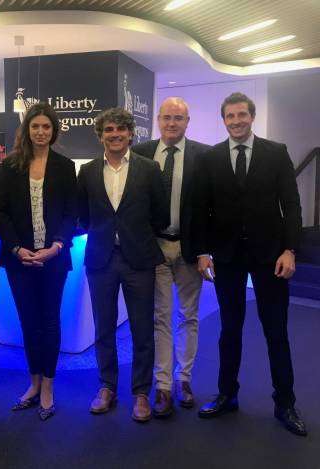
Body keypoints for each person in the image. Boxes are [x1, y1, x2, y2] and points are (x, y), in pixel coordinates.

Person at [193, 92, 306, 436]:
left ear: (251, 117)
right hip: (227, 257)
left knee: (276, 332)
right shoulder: (210, 157)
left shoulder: (276, 152)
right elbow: (201, 208)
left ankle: (285, 403)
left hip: (270, 256)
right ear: (224, 120)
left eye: (242, 114)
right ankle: (227, 394)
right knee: (229, 330)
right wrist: (202, 251)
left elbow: (291, 204)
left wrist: (290, 249)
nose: (236, 121)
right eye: (230, 116)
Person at [78, 107, 169, 422]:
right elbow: (82, 215)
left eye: (120, 129)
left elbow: (161, 215)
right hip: (101, 259)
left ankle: (141, 393)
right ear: (100, 135)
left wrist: (136, 235)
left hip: (139, 259)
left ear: (131, 134)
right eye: (109, 129)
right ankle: (107, 387)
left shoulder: (149, 168)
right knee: (103, 327)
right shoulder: (88, 171)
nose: (115, 134)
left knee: (142, 329)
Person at [0, 103, 77, 421]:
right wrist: (17, 248)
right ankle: (34, 382)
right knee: (28, 322)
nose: (40, 132)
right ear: (27, 130)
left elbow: (70, 212)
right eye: (35, 126)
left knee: (50, 322)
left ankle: (48, 387)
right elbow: (1, 212)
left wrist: (57, 245)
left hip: (53, 258)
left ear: (53, 131)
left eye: (46, 127)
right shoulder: (10, 165)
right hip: (20, 260)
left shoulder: (65, 166)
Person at [132, 97, 210, 416]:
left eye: (178, 118)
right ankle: (163, 385)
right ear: (158, 120)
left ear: (187, 121)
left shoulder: (204, 156)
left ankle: (183, 380)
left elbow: (210, 208)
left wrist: (206, 250)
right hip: (155, 248)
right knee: (160, 316)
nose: (172, 123)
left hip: (190, 249)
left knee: (188, 316)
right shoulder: (140, 152)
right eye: (167, 117)